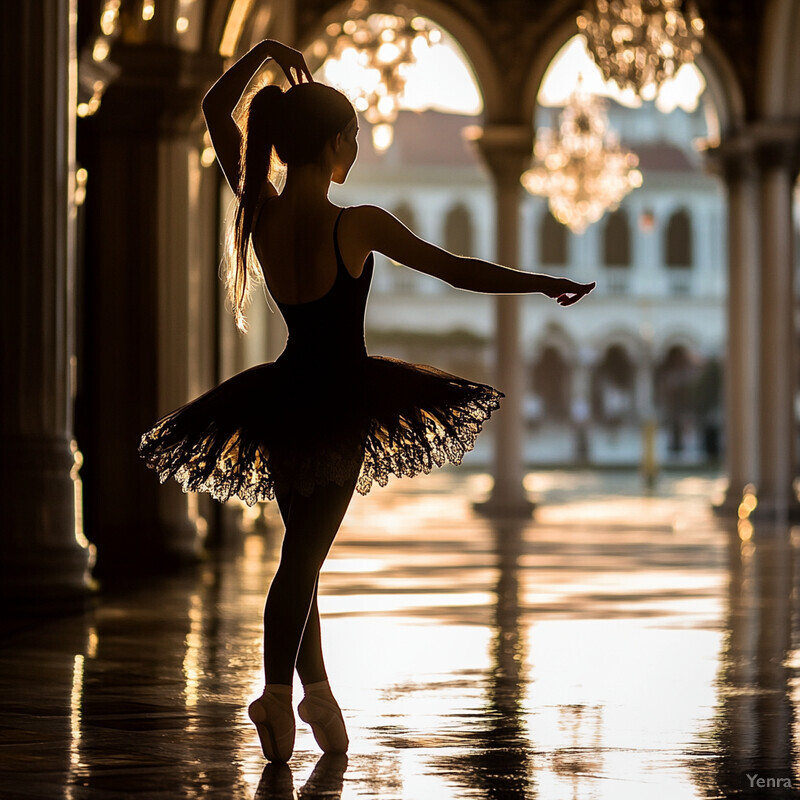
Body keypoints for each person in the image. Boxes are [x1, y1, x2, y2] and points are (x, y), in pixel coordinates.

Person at [139, 39, 594, 763]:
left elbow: (212, 107)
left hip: (284, 395)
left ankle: (314, 689)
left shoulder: (260, 207)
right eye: (352, 134)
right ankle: (274, 694)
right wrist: (541, 282)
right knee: (301, 561)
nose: (357, 144)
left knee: (302, 555)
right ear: (331, 143)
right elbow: (457, 271)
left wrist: (261, 54)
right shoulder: (358, 222)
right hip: (343, 398)